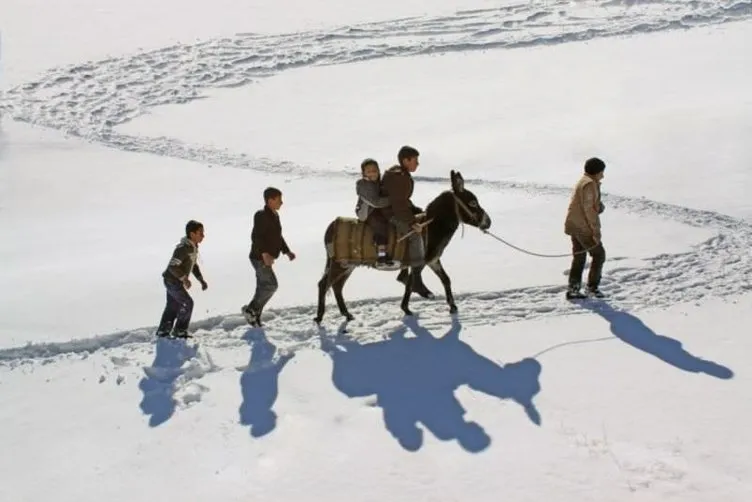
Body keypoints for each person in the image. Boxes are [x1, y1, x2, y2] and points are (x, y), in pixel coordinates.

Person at [243, 187, 296, 327]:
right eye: (279, 199)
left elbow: (278, 237)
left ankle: (255, 318)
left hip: (265, 257)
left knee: (262, 287)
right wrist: (265, 254)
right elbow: (256, 236)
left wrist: (287, 251)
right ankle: (251, 310)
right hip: (259, 258)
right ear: (270, 200)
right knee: (271, 285)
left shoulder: (274, 215)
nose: (282, 203)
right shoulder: (261, 215)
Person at [156, 220, 208, 338]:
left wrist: (201, 280)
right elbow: (173, 266)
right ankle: (180, 330)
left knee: (173, 305)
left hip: (174, 281)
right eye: (200, 233)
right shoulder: (183, 248)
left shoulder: (193, 247)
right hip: (172, 281)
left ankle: (164, 330)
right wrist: (184, 279)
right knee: (187, 303)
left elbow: (193, 265)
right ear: (192, 234)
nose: (203, 236)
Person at [564, 157, 607, 299]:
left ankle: (574, 289)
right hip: (583, 227)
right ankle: (592, 288)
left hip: (574, 224)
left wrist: (598, 206)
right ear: (596, 172)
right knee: (599, 254)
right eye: (602, 172)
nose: (603, 175)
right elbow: (589, 211)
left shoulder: (584, 181)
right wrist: (595, 232)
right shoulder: (589, 185)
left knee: (579, 256)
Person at [381, 145, 425, 267]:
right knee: (415, 234)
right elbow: (398, 203)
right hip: (390, 213)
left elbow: (403, 199)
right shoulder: (399, 177)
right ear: (406, 161)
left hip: (394, 210)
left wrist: (415, 209)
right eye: (415, 160)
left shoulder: (400, 174)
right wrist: (411, 222)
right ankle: (417, 269)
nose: (418, 164)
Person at [355, 158, 393, 265]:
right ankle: (381, 255)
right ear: (364, 173)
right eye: (369, 171)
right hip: (366, 212)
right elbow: (375, 202)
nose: (372, 174)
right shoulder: (363, 185)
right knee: (379, 223)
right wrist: (392, 200)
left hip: (376, 210)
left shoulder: (378, 183)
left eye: (374, 171)